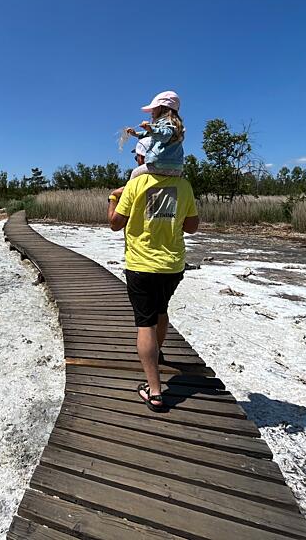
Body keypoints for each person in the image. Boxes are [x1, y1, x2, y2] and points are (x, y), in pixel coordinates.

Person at [107, 146, 199, 412]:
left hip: (141, 265)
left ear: (145, 157)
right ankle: (156, 354)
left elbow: (114, 223)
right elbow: (192, 227)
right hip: (172, 266)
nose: (136, 158)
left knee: (144, 322)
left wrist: (112, 198)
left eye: (138, 154)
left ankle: (155, 391)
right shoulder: (183, 185)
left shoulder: (135, 184)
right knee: (161, 311)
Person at [125, 90, 185, 179]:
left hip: (159, 164)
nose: (151, 112)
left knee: (134, 174)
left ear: (161, 108)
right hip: (177, 168)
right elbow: (152, 133)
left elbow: (165, 136)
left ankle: (128, 190)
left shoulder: (166, 122)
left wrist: (151, 129)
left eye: (153, 108)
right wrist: (136, 134)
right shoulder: (174, 124)